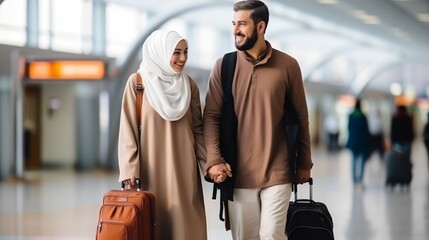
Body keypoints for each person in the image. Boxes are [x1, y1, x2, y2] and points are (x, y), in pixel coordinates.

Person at [203, 1, 313, 239]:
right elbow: (211, 117)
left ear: (261, 26)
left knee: (273, 235)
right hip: (237, 174)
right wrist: (213, 160)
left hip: (278, 171)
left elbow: (301, 117)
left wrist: (305, 162)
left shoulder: (288, 66)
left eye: (242, 24)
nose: (235, 30)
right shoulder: (224, 66)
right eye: (234, 24)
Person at [117, 30, 207, 240]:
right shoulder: (137, 83)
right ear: (160, 52)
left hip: (185, 175)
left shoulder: (189, 85)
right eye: (176, 52)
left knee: (186, 229)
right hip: (150, 173)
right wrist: (130, 171)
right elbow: (127, 129)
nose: (183, 58)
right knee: (152, 227)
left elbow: (198, 130)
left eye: (186, 52)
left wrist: (210, 164)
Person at [346, 98, 371, 187]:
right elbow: (366, 131)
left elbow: (348, 128)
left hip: (353, 142)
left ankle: (354, 180)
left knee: (353, 161)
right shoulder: (363, 117)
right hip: (362, 142)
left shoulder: (351, 116)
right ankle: (360, 178)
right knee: (361, 161)